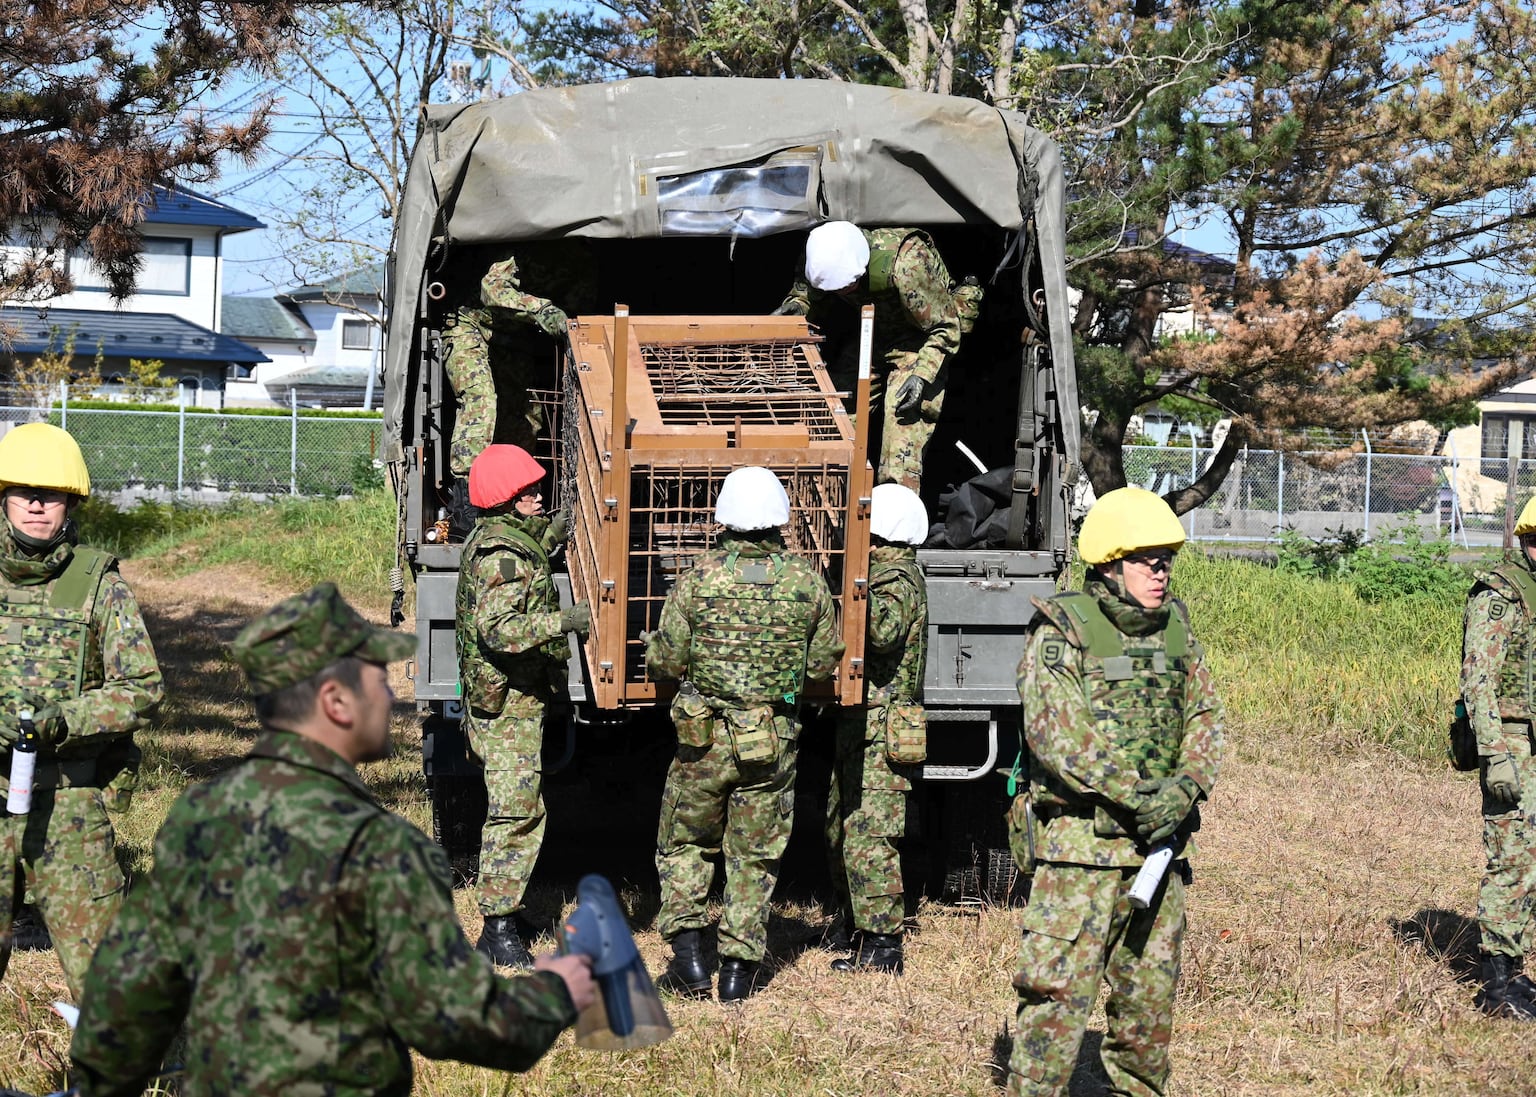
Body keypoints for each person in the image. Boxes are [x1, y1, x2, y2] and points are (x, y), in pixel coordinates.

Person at [69, 582, 596, 1096]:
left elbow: (139, 984)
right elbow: (458, 1021)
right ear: (336, 701)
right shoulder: (383, 847)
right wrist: (558, 992)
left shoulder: (199, 816)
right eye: (377, 681)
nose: (391, 697)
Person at [1008, 486, 1223, 1097]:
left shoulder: (1175, 629)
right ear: (1109, 563)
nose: (1161, 572)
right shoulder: (1062, 629)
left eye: (1166, 561)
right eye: (1146, 561)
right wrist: (1143, 798)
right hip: (1081, 856)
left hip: (1159, 853)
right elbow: (1060, 739)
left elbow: (1206, 716)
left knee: (1148, 1010)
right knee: (1054, 1004)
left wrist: (1186, 787)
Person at [647, 466, 845, 1001]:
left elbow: (666, 660)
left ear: (725, 518)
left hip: (703, 741)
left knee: (685, 843)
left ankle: (688, 964)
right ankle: (737, 974)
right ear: (779, 517)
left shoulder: (698, 578)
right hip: (771, 740)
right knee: (754, 855)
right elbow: (824, 665)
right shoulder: (806, 582)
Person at [0, 422, 162, 1000]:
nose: (38, 505)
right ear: (5, 498)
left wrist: (63, 719)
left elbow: (142, 686)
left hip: (68, 805)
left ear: (70, 502)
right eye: (25, 492)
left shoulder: (99, 585)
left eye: (51, 494)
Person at [456, 444, 591, 967]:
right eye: (528, 491)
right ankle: (496, 930)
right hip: (506, 705)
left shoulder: (504, 539)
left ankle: (506, 914)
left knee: (523, 808)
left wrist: (557, 528)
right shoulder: (502, 556)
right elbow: (501, 629)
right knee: (515, 812)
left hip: (512, 700)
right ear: (506, 499)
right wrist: (563, 622)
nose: (537, 495)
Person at [777, 220, 981, 490]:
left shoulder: (908, 265)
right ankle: (828, 505)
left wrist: (922, 375)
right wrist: (796, 308)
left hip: (920, 341)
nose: (839, 294)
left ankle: (893, 521)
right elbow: (806, 293)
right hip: (870, 334)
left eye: (846, 287)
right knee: (832, 418)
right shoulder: (821, 253)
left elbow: (946, 326)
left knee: (901, 436)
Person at [823, 483, 929, 975]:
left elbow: (882, 634)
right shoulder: (887, 573)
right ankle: (854, 923)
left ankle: (883, 945)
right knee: (841, 827)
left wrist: (852, 592)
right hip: (863, 726)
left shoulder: (897, 579)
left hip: (882, 729)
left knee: (870, 836)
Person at [1462, 497, 1536, 1019]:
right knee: (1511, 857)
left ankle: (1516, 968)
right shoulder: (1500, 592)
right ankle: (1495, 986)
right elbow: (1479, 680)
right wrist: (1495, 756)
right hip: (1508, 741)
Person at [442, 241, 599, 483]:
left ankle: (513, 491)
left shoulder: (583, 258)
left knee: (525, 418)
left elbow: (578, 308)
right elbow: (492, 289)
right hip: (471, 325)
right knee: (481, 402)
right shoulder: (524, 241)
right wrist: (544, 312)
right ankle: (468, 495)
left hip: (515, 337)